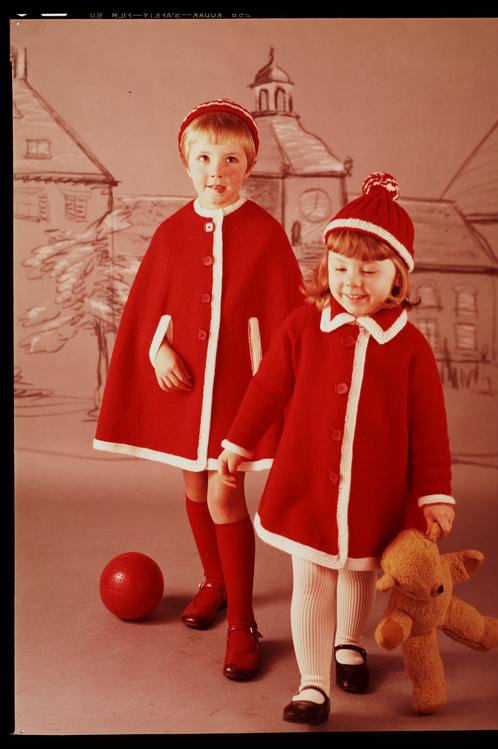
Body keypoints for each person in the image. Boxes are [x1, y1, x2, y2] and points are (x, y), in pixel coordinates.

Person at [217, 172, 456, 723]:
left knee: (360, 572)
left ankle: (350, 640)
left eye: (370, 271)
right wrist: (238, 443)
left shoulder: (412, 348)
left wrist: (434, 495)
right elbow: (267, 390)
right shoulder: (303, 325)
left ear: (398, 276)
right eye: (341, 268)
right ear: (327, 268)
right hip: (306, 485)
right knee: (312, 577)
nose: (352, 282)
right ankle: (312, 684)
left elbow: (431, 428)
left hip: (376, 489)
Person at [94, 99, 303, 680]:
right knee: (193, 482)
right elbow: (146, 309)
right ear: (187, 162)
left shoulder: (265, 232)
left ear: (249, 164)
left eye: (230, 158)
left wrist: (275, 381)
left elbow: (287, 317)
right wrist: (156, 348)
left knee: (224, 494)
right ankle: (214, 582)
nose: (217, 169)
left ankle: (243, 623)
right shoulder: (171, 231)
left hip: (240, 391)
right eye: (204, 157)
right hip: (186, 389)